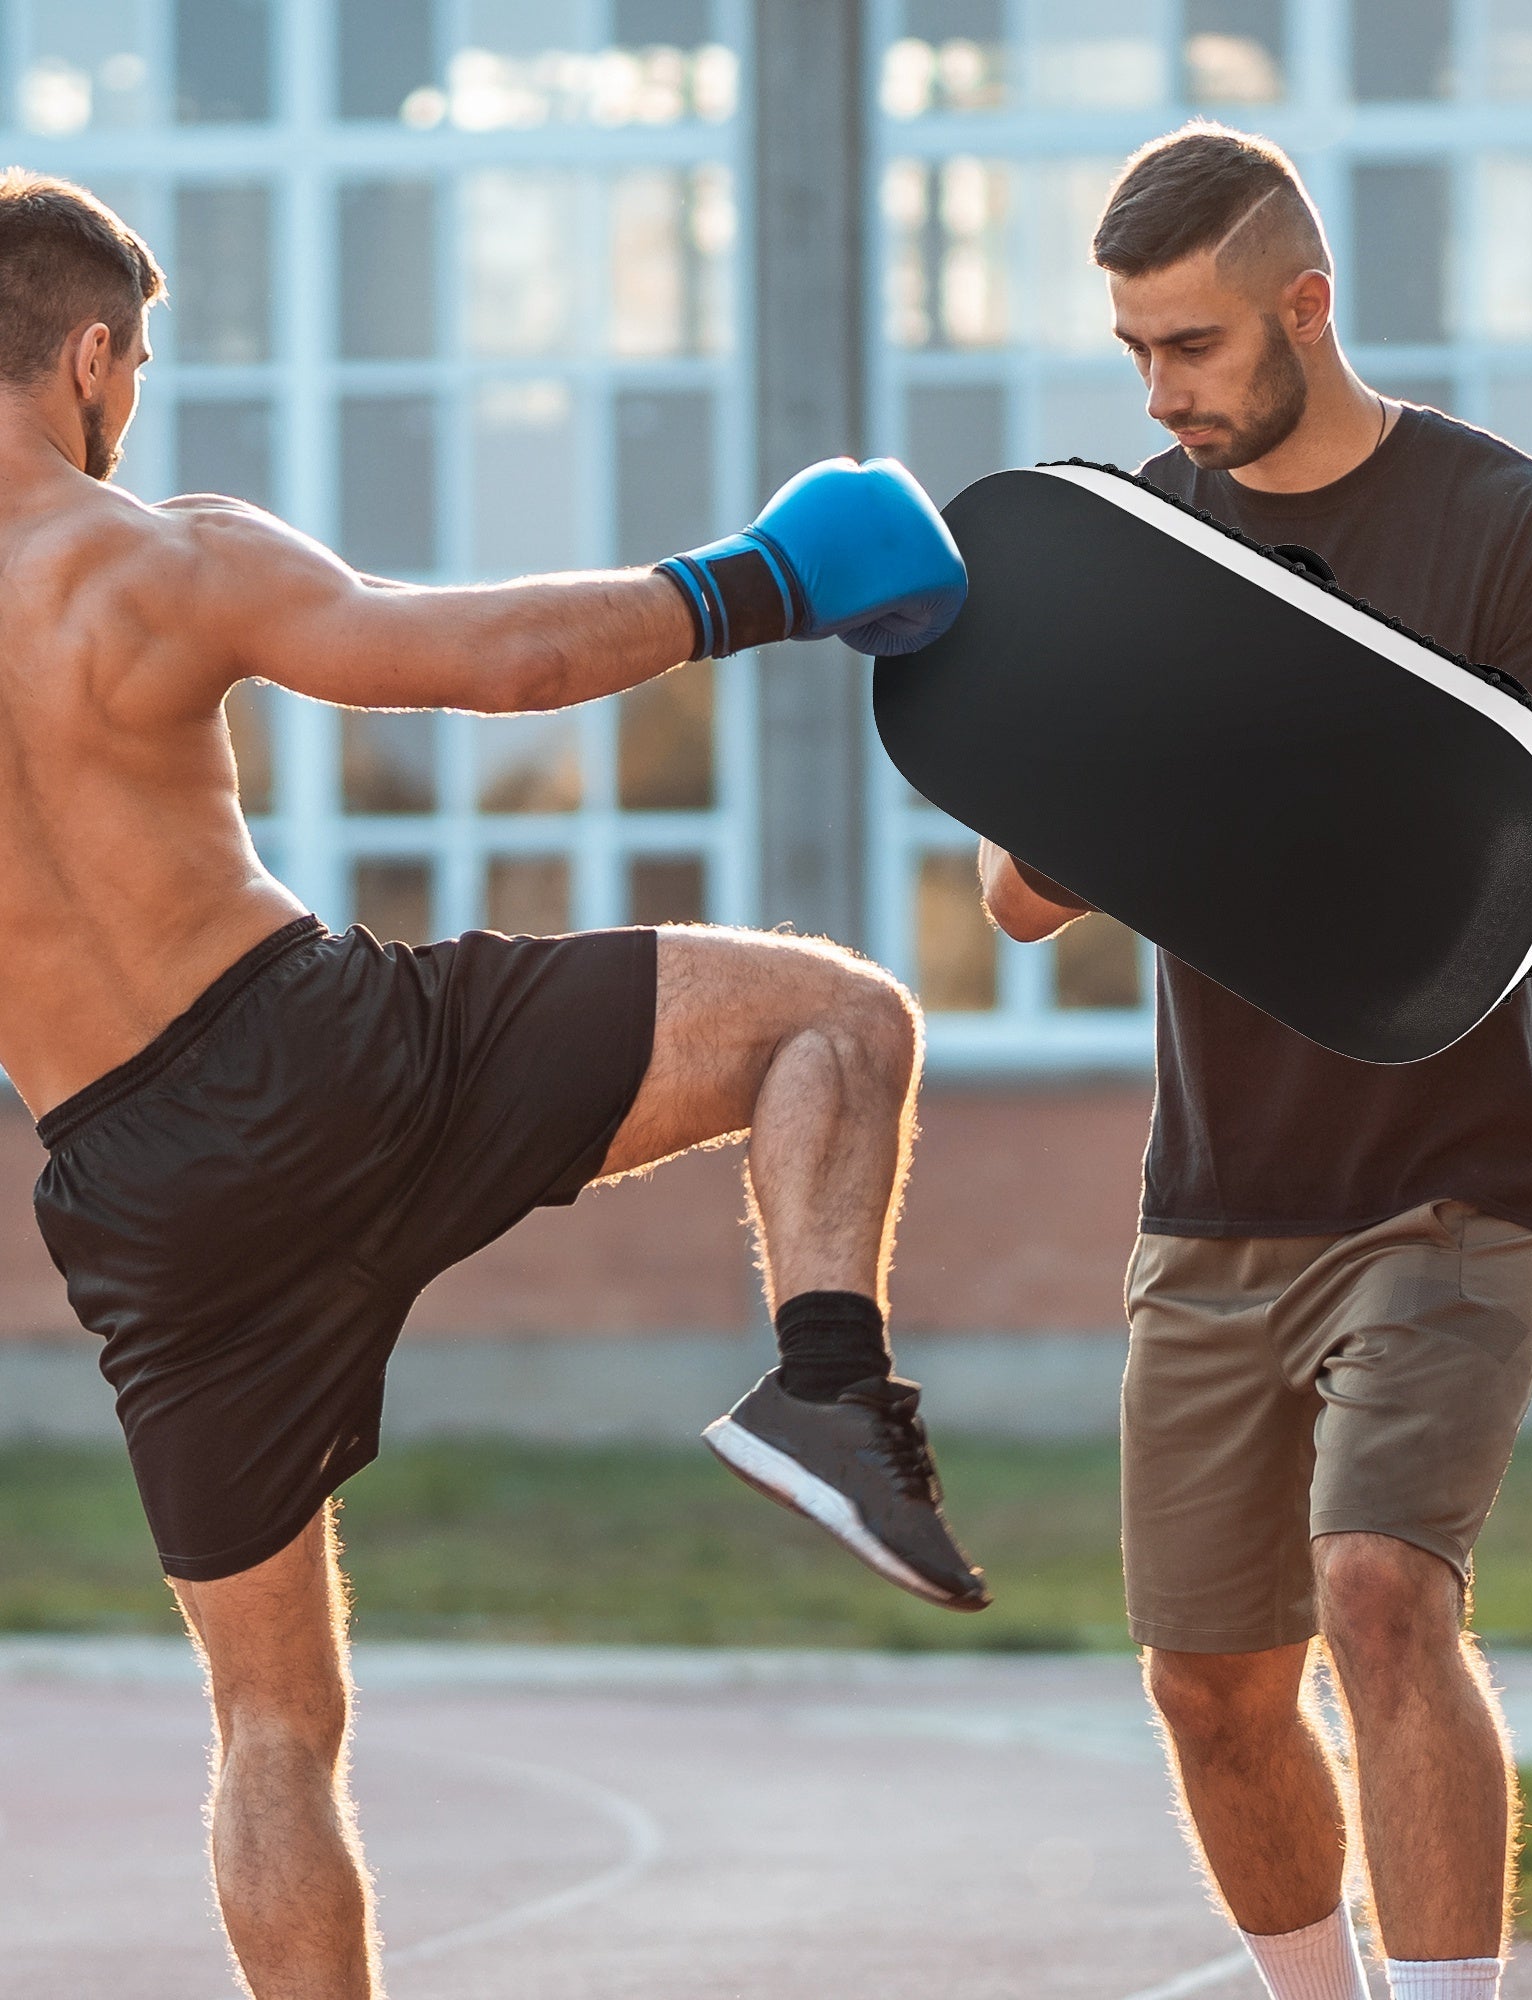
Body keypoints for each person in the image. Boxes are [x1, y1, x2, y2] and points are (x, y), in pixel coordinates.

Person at [0, 168, 984, 2000]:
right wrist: (760, 584)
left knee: (271, 1729)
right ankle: (828, 1388)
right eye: (129, 373)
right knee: (834, 1021)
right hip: (328, 1060)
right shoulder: (148, 555)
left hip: (131, 1192)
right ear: (87, 356)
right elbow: (500, 661)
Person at [982, 126, 1532, 2000]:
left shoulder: (1517, 527)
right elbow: (1020, 894)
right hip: (1213, 1197)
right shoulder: (1144, 548)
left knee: (1380, 1590)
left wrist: (1319, 794)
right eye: (1130, 352)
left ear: (1308, 305)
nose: (1160, 391)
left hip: (1455, 1178)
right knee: (1206, 1681)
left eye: (1190, 345)